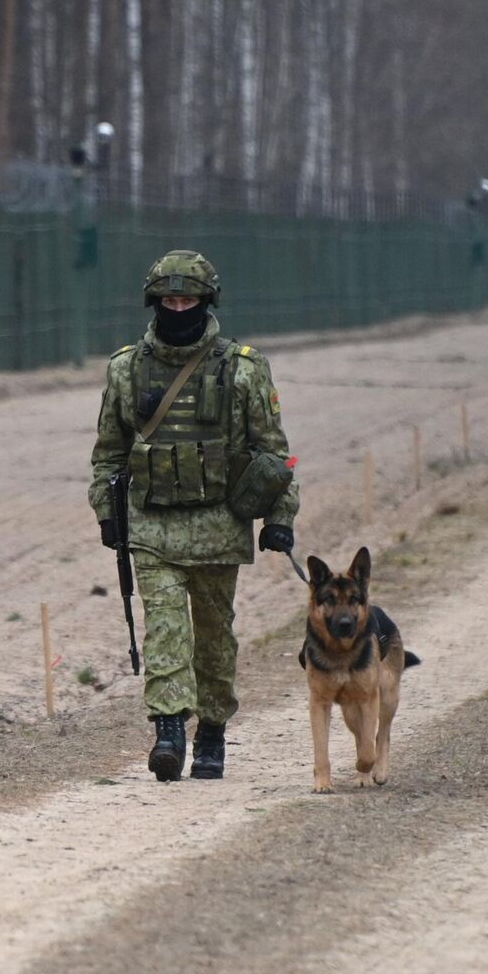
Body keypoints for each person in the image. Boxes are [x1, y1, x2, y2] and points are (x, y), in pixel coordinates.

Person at [89, 250, 299, 781]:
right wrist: (106, 513)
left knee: (213, 636)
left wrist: (281, 517)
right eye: (168, 299)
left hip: (219, 525)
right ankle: (168, 731)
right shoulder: (126, 369)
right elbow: (108, 454)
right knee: (164, 630)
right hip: (152, 523)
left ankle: (210, 732)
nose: (177, 308)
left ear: (206, 302)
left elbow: (273, 453)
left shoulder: (243, 369)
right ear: (153, 303)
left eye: (187, 299)